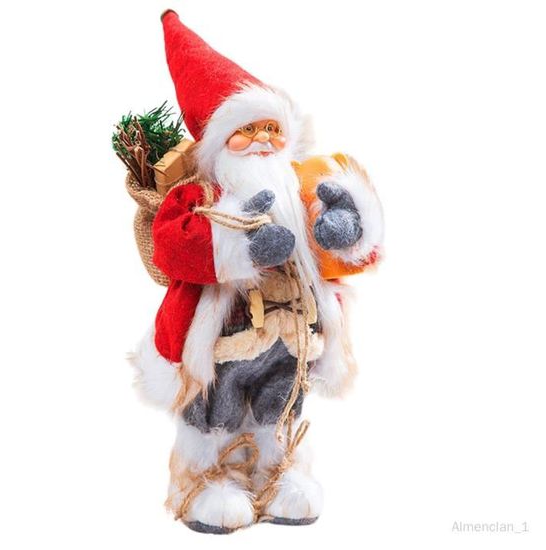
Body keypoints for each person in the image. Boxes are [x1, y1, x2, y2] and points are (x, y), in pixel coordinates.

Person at [132, 9, 384, 534]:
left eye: (272, 128)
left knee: (280, 404)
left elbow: (348, 254)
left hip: (290, 337)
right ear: (219, 140)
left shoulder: (300, 188)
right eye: (247, 130)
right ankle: (205, 482)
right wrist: (241, 245)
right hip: (223, 339)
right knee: (215, 410)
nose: (264, 139)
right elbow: (172, 246)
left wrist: (344, 226)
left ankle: (277, 473)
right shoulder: (201, 195)